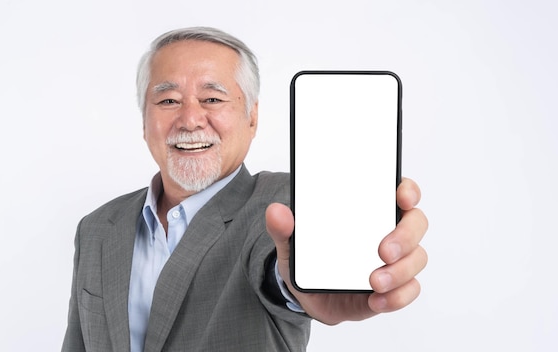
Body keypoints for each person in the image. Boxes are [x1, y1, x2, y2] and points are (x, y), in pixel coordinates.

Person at [62, 27, 428, 352]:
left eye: (212, 99)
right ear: (145, 120)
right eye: (168, 100)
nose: (190, 120)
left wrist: (299, 286)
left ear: (252, 117)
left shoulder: (284, 200)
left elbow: (275, 260)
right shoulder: (97, 227)